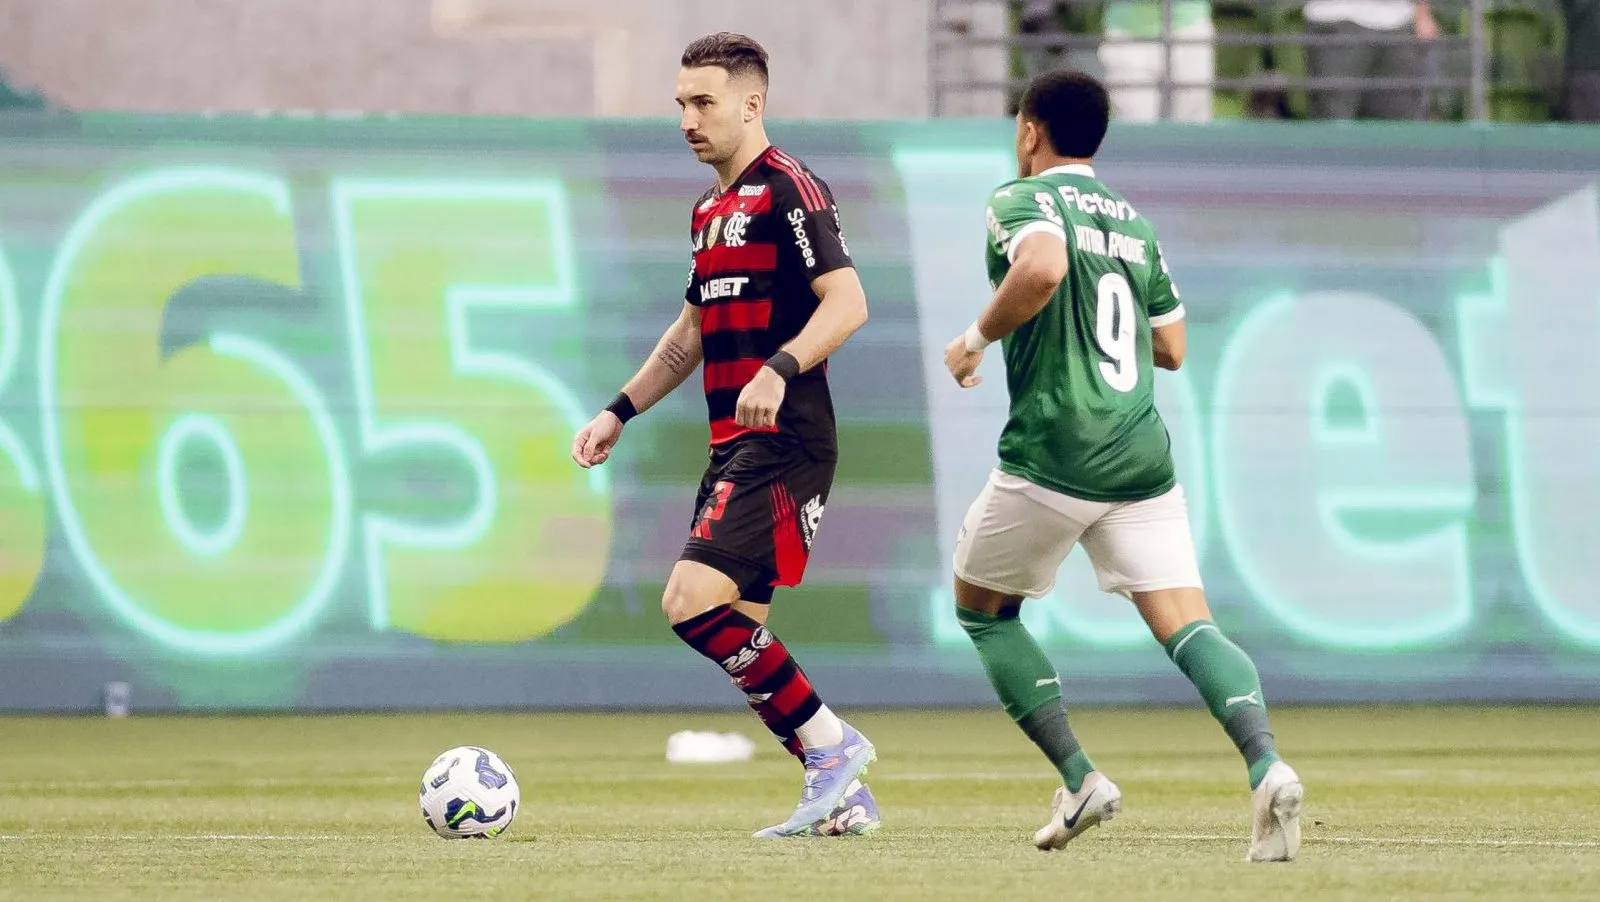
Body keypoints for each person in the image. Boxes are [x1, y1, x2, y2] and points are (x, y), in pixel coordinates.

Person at [941, 68, 1303, 861]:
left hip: (1054, 452)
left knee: (981, 608)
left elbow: (1038, 267)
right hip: (1139, 457)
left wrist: (974, 340)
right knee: (1187, 622)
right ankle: (1266, 763)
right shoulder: (1135, 225)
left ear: (1030, 131)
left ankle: (1080, 777)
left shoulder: (1021, 197)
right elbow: (1172, 347)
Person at [571, 32, 878, 839]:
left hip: (787, 438)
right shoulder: (709, 212)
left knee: (688, 601)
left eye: (703, 102)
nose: (687, 120)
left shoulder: (790, 189)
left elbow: (847, 303)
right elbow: (688, 335)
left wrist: (779, 366)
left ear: (752, 104)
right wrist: (618, 410)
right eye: (679, 103)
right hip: (732, 444)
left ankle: (834, 748)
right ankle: (843, 797)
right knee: (742, 630)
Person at [1303, 0, 1439, 119]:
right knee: (1336, 122)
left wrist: (1422, 11)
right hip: (1336, 18)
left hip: (1399, 22)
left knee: (1400, 124)